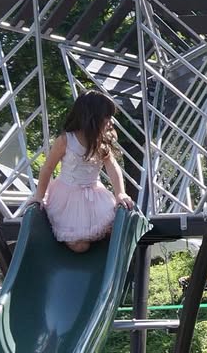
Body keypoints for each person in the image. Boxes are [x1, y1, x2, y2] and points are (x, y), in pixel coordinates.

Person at [32, 91, 135, 251]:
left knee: (118, 228)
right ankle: (83, 239)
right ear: (92, 117)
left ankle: (100, 237)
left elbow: (113, 168)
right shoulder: (66, 140)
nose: (110, 121)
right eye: (106, 116)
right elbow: (48, 168)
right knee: (80, 246)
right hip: (67, 198)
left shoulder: (101, 141)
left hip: (95, 196)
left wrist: (120, 193)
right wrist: (39, 196)